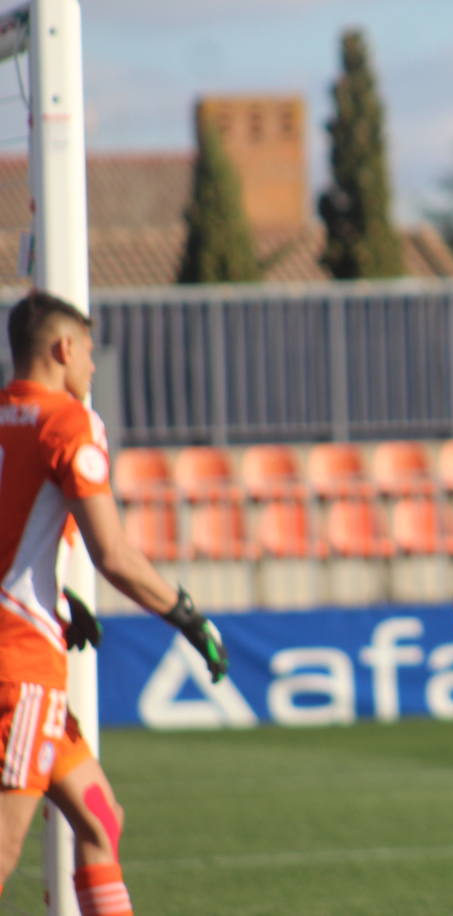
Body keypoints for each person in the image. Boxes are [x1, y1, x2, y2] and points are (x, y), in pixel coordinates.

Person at [0, 290, 228, 915]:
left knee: (100, 817)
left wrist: (60, 597)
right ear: (63, 348)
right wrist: (189, 616)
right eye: (90, 352)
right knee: (5, 842)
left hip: (25, 642)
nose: (93, 367)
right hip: (20, 666)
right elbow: (116, 556)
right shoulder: (68, 423)